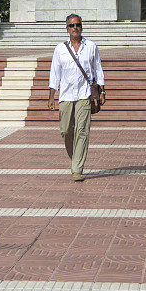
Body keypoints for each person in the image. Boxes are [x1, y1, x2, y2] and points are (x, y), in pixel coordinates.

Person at [48, 13, 105, 182]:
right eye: (72, 25)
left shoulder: (91, 46)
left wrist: (102, 91)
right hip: (66, 94)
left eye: (78, 25)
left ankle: (77, 168)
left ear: (82, 26)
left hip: (84, 94)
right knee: (66, 130)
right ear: (67, 29)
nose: (75, 28)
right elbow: (54, 73)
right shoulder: (60, 49)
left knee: (82, 131)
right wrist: (51, 96)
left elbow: (98, 69)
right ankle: (75, 158)